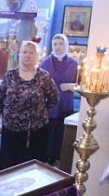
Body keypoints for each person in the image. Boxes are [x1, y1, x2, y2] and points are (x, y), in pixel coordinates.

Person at [0, 40, 59, 170]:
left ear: (37, 55)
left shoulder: (44, 76)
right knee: (8, 168)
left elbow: (54, 97)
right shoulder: (10, 75)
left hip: (36, 131)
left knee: (31, 169)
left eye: (31, 52)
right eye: (24, 52)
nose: (27, 55)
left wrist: (40, 110)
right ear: (19, 54)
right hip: (11, 130)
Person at [40, 33, 78, 167]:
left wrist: (70, 86)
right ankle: (47, 161)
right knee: (49, 136)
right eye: (55, 44)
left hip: (66, 105)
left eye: (60, 44)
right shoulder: (45, 63)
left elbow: (81, 84)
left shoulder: (73, 64)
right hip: (49, 107)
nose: (58, 47)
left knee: (62, 136)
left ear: (65, 45)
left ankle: (60, 162)